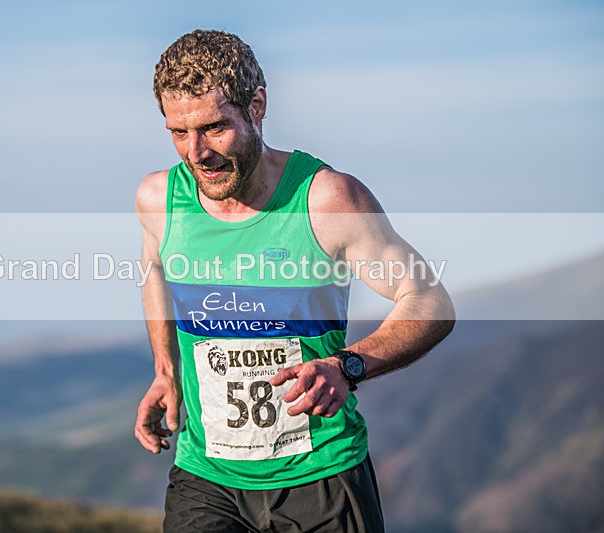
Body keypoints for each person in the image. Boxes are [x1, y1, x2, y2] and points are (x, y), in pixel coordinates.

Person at [134, 29, 455, 533]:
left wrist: (348, 367)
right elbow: (155, 268)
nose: (196, 153)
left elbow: (431, 302)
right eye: (178, 132)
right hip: (206, 477)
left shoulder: (327, 200)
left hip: (321, 477)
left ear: (257, 106)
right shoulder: (159, 200)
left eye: (215, 128)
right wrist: (165, 369)